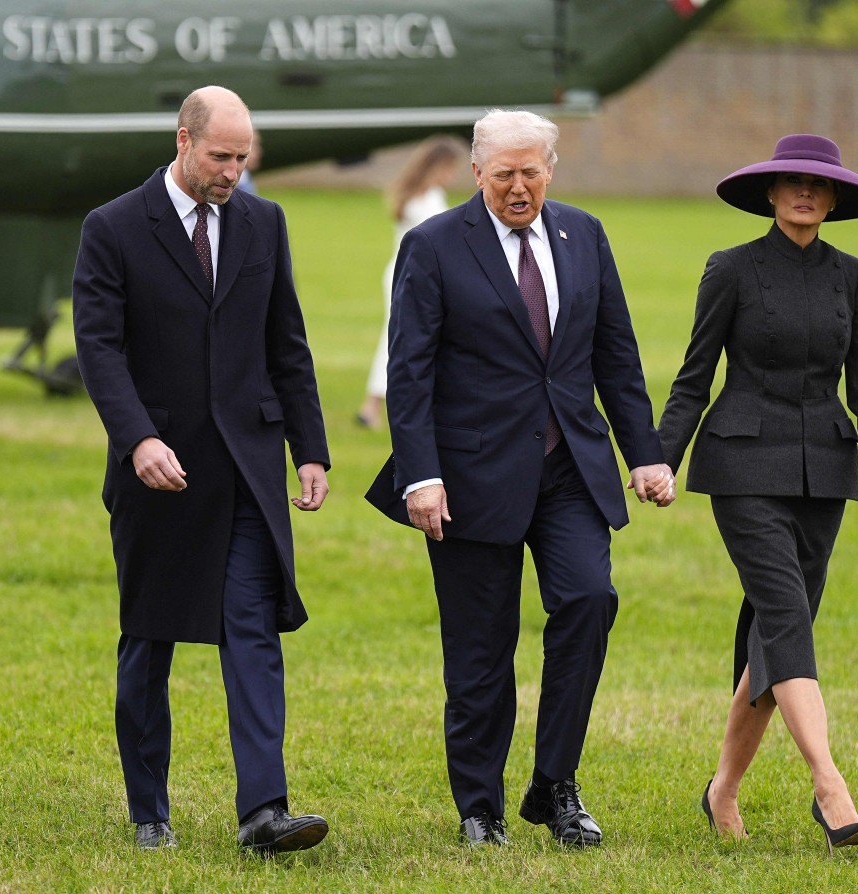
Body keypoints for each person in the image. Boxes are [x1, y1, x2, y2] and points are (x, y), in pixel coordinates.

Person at [366, 109, 674, 847]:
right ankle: (481, 809)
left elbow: (615, 353)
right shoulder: (433, 245)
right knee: (480, 650)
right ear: (477, 173)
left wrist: (645, 452)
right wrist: (420, 476)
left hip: (568, 468)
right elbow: (409, 373)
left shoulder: (584, 234)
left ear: (550, 170)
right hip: (468, 478)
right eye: (503, 174)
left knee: (589, 600)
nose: (518, 187)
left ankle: (555, 785)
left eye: (531, 172)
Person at [72, 85, 331, 854]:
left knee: (252, 631)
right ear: (183, 141)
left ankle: (264, 812)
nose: (232, 171)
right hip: (160, 469)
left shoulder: (263, 222)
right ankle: (149, 810)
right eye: (221, 156)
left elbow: (287, 342)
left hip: (248, 468)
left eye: (242, 157)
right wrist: (138, 439)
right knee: (149, 639)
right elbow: (99, 349)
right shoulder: (113, 227)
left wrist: (310, 448)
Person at [657, 134, 858, 851]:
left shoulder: (852, 276)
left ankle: (722, 790)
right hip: (741, 468)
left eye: (818, 185)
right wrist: (659, 460)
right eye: (792, 182)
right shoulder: (731, 268)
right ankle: (830, 786)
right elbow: (694, 376)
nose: (804, 193)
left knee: (774, 633)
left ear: (834, 199)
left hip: (825, 472)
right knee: (789, 617)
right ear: (769, 192)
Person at [357, 135, 466, 429]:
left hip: (403, 272)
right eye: (450, 168)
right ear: (438, 166)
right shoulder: (426, 201)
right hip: (411, 276)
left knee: (403, 337)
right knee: (398, 338)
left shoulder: (418, 195)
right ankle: (373, 406)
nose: (452, 176)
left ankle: (381, 406)